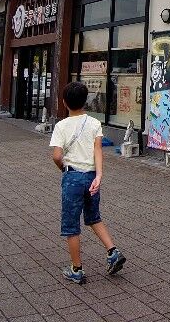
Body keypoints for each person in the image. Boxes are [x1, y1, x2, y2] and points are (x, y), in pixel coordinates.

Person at [50, 81, 125, 284]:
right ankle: (112, 251)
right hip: (92, 177)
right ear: (85, 102)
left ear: (64, 102)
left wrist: (63, 168)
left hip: (72, 177)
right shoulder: (94, 123)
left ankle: (76, 269)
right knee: (93, 217)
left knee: (71, 225)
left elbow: (56, 156)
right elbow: (98, 150)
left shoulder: (61, 126)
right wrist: (99, 176)